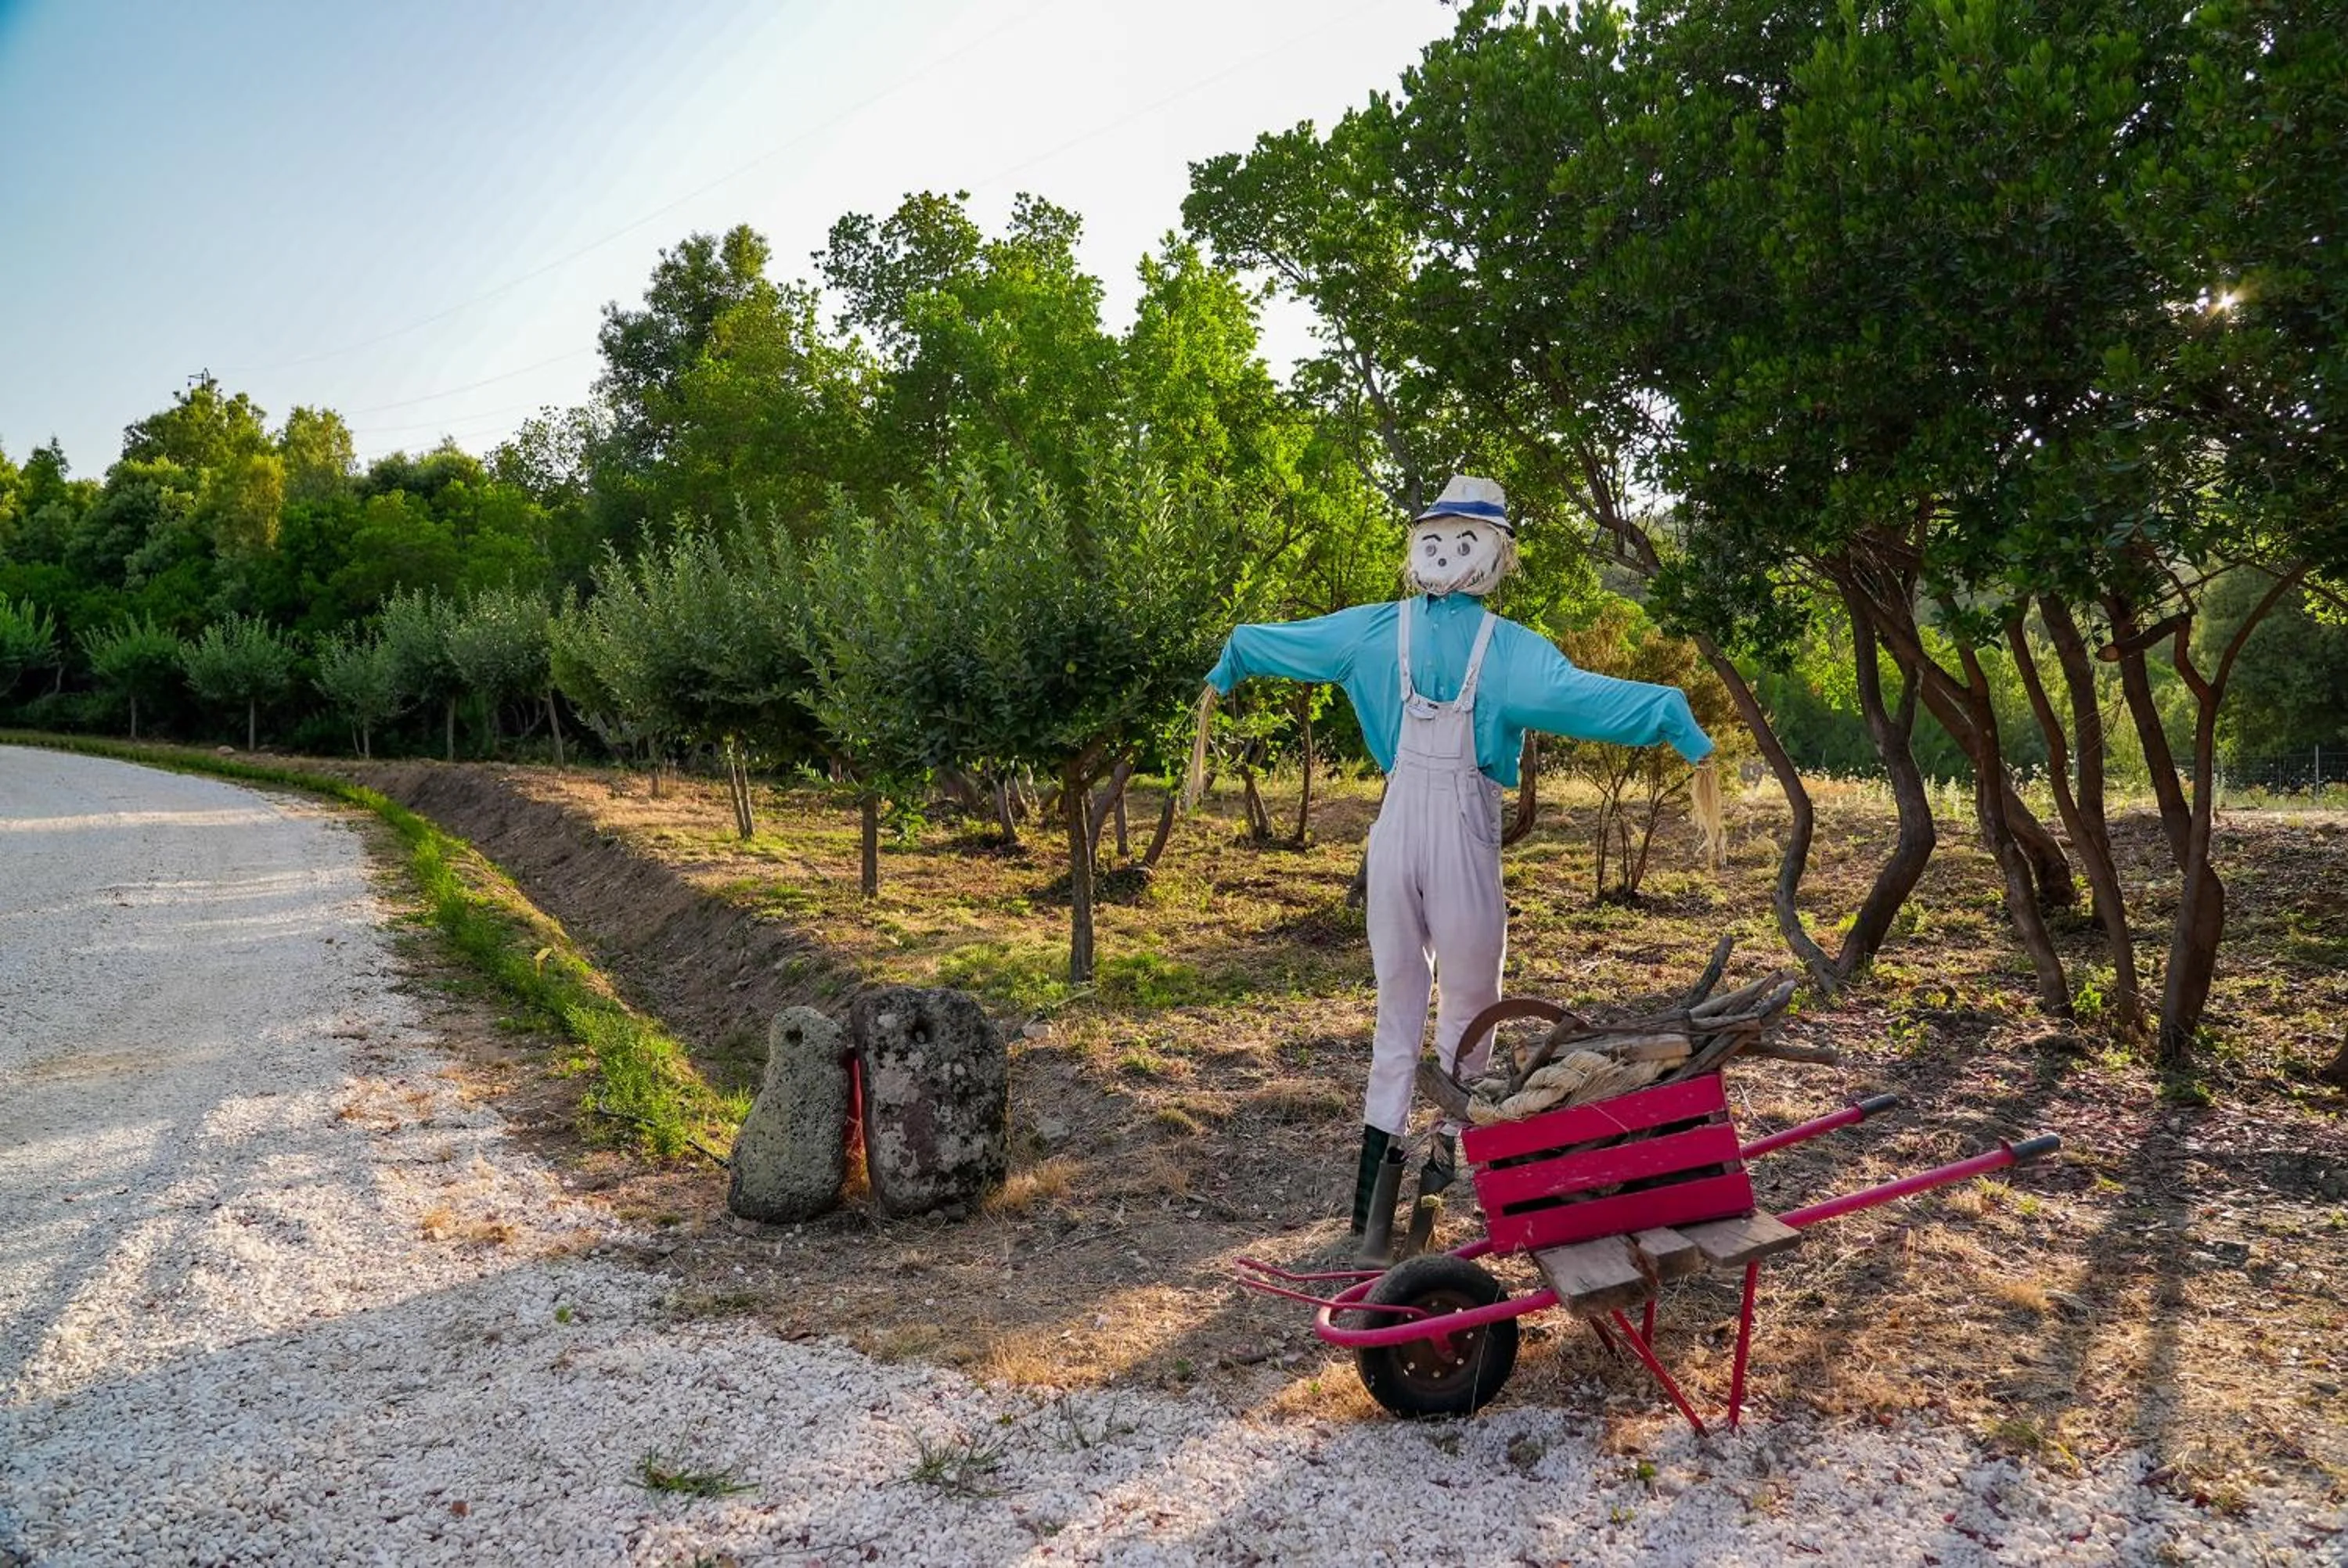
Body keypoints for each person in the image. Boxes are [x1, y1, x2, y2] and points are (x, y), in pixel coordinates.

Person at [1196, 476, 1718, 1235]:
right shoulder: (1508, 652)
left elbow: (1285, 641)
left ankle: (1375, 1217)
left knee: (1398, 1012)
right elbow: (1592, 699)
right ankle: (1430, 1189)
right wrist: (1677, 722)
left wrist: (1235, 658)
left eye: (1456, 541)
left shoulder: (1377, 632)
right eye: (1434, 539)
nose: (1443, 554)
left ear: (1490, 555)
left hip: (1396, 831)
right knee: (1471, 1009)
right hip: (1454, 836)